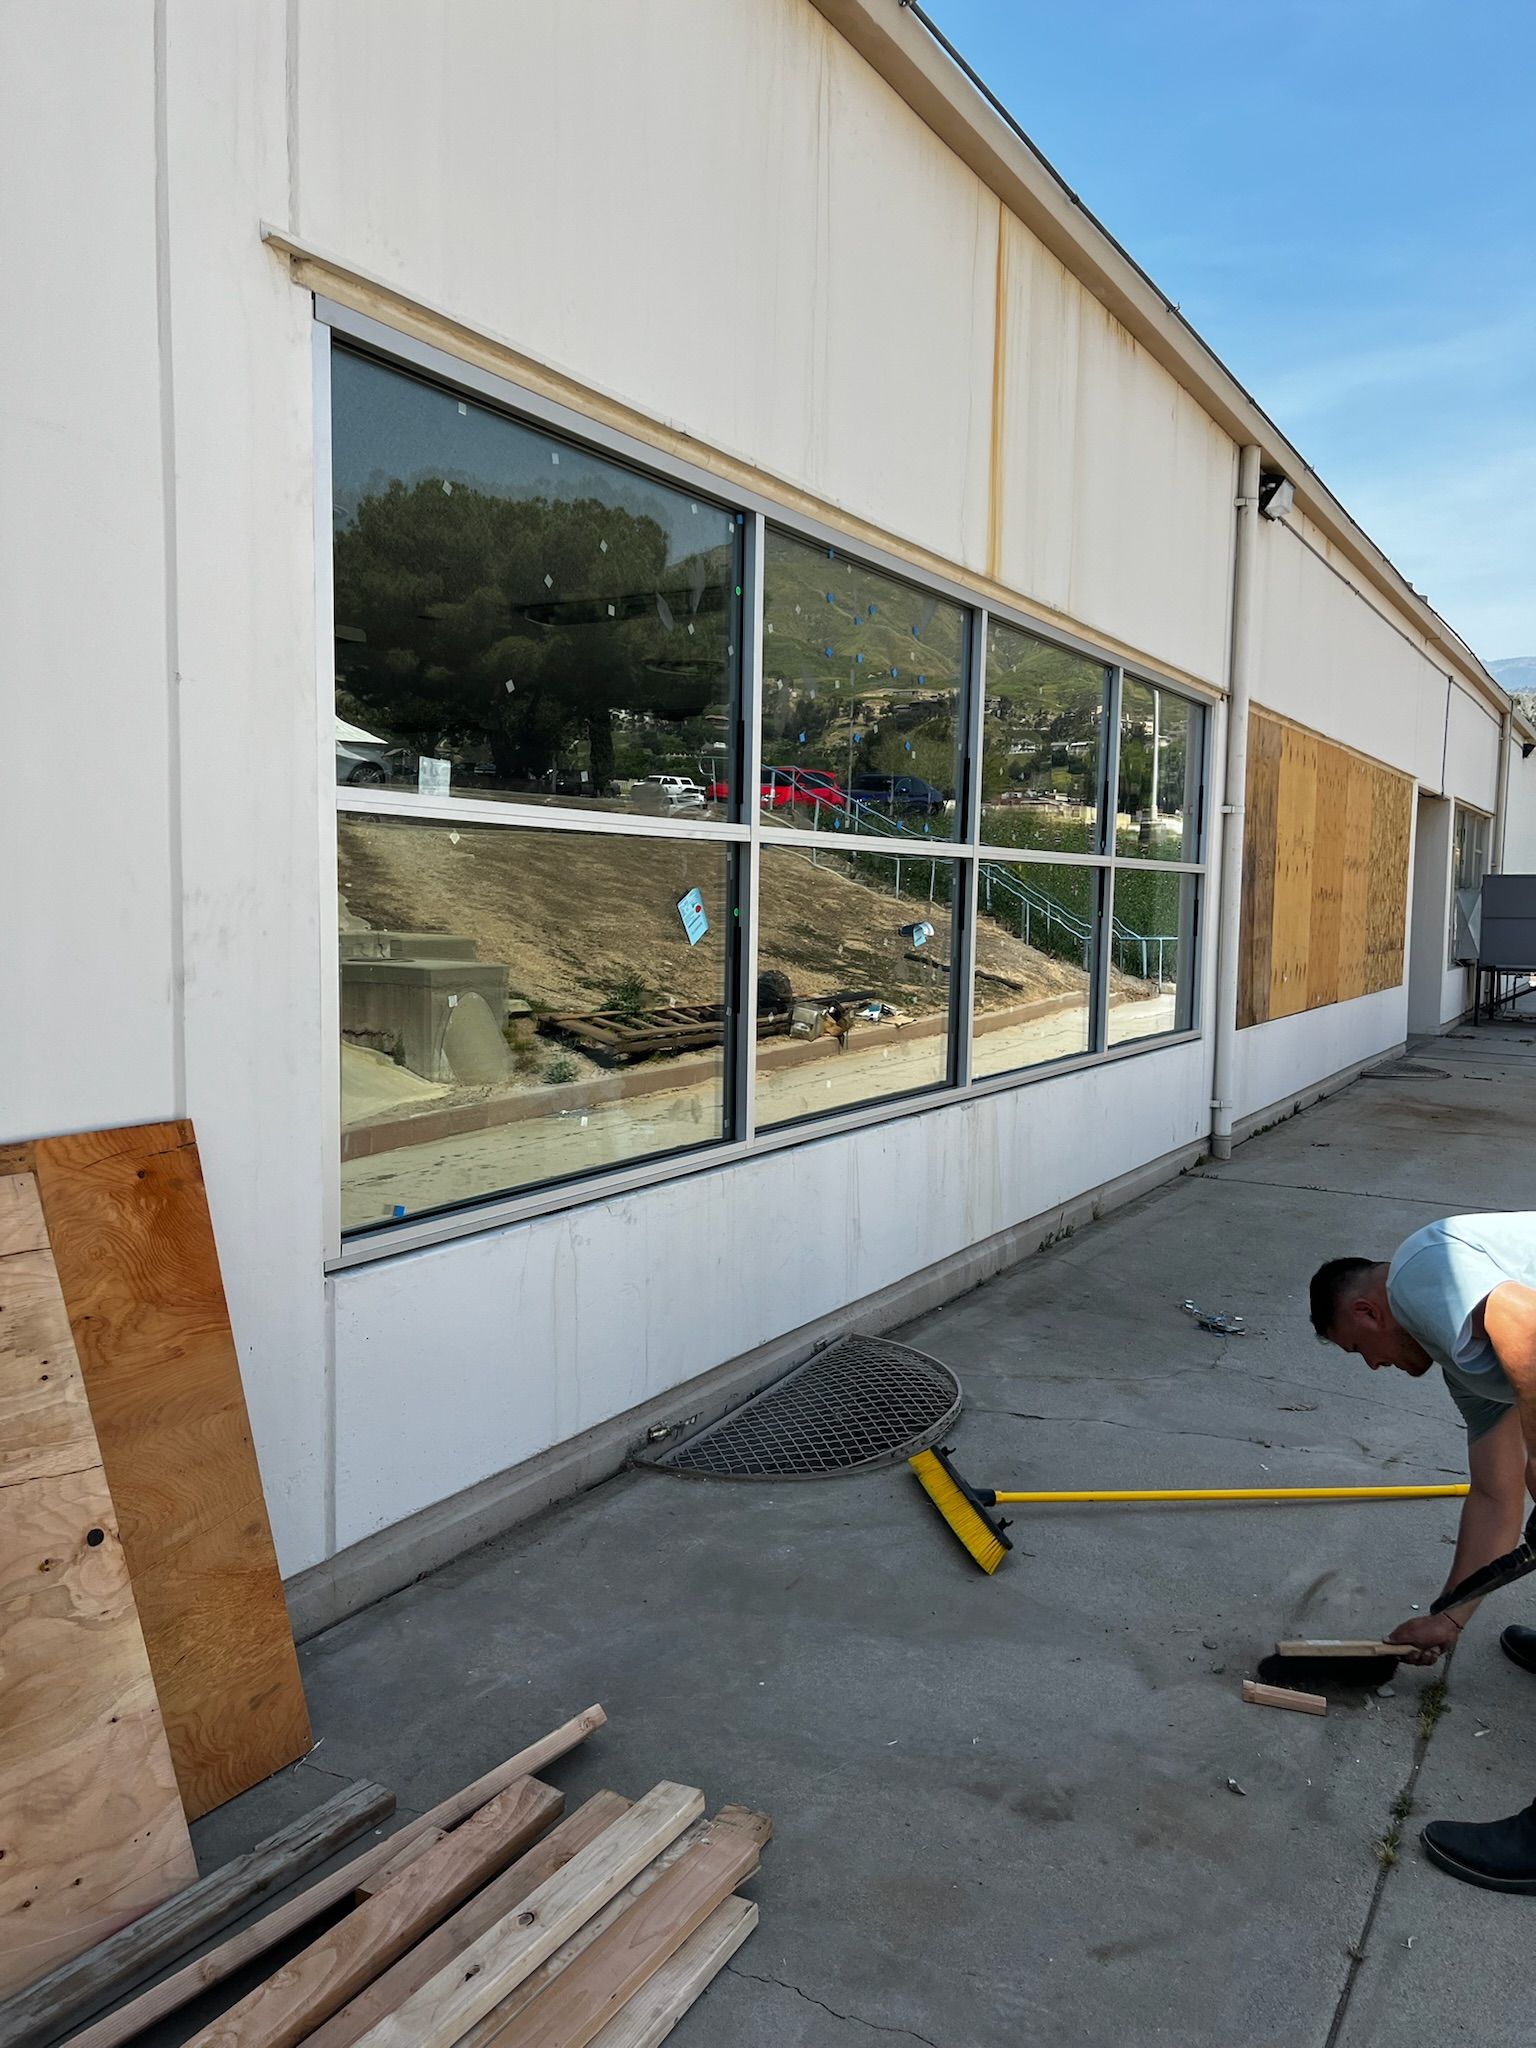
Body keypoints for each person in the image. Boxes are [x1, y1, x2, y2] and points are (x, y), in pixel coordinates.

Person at [1311, 1213, 1536, 1892]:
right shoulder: (1461, 1352)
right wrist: (1450, 1616)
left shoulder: (1421, 1272)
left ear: (1367, 1311)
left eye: (1358, 1349)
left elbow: (1527, 1327)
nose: (1375, 1366)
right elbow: (1497, 1496)